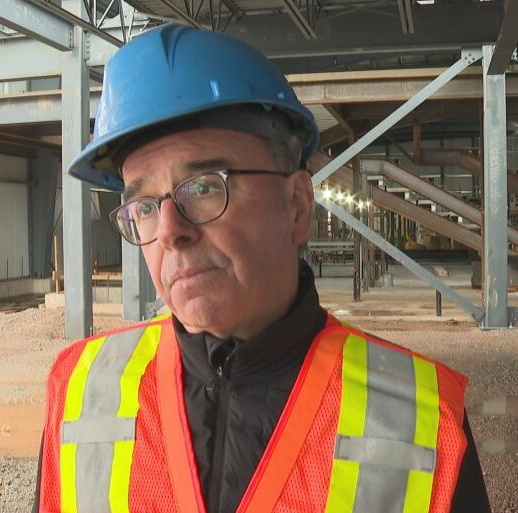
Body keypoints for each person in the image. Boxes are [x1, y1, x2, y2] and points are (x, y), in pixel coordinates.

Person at [33, 24, 490, 513]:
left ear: (296, 206)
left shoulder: (420, 420)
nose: (168, 230)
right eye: (144, 205)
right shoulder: (82, 394)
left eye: (205, 186)